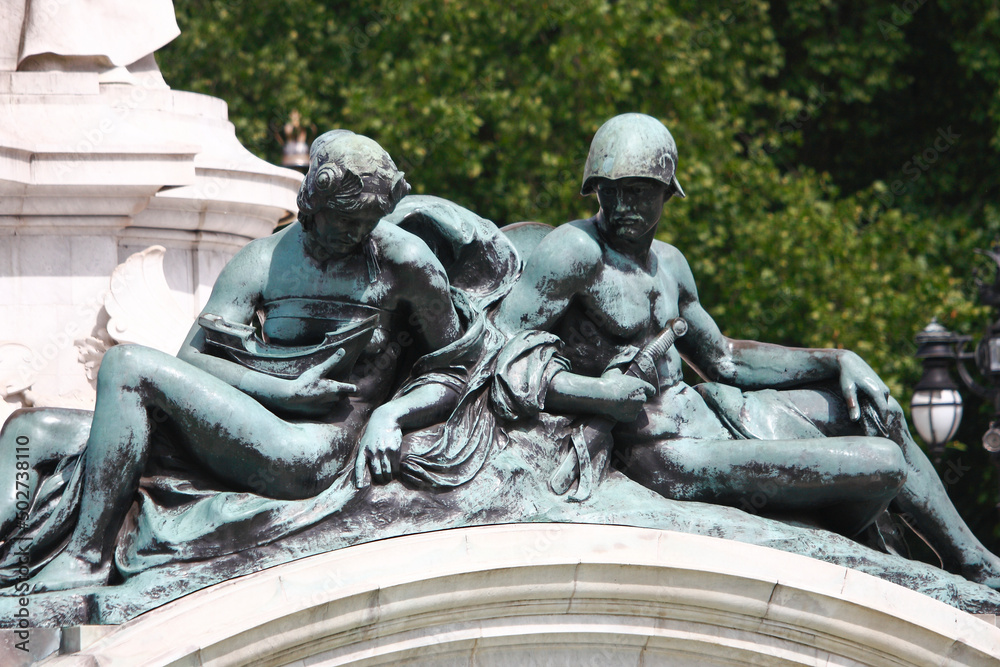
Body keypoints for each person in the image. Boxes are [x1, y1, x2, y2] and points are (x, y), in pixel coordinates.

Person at [493, 112, 1000, 587]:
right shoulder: (575, 251)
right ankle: (834, 542)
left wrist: (837, 359)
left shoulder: (670, 263)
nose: (624, 206)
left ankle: (970, 561)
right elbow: (501, 355)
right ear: (594, 191)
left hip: (712, 412)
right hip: (660, 449)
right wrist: (598, 395)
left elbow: (727, 360)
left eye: (639, 192)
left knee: (875, 412)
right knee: (883, 465)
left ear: (667, 193)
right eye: (611, 192)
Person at [0, 130, 470, 591]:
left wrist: (392, 413)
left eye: (368, 222)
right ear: (313, 202)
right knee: (31, 431)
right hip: (249, 423)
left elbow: (456, 367)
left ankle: (87, 557)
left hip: (311, 449)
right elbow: (193, 358)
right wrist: (282, 391)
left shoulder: (404, 262)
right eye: (345, 221)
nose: (357, 234)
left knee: (125, 366)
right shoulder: (264, 259)